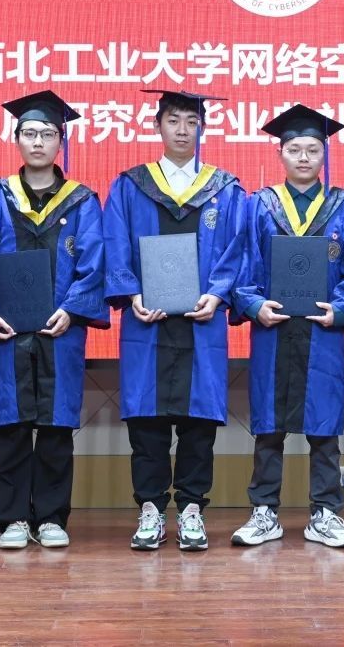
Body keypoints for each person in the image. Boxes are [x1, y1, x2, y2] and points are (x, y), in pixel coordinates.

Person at [0, 90, 110, 550]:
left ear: (61, 141)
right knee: (14, 428)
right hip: (7, 332)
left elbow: (94, 263)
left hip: (61, 331)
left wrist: (73, 309)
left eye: (47, 134)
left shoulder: (81, 201)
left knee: (57, 428)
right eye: (29, 133)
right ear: (16, 139)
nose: (38, 141)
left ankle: (53, 517)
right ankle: (14, 519)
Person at [230, 104, 344, 548]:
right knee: (269, 425)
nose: (304, 157)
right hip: (273, 330)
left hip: (323, 331)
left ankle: (326, 512)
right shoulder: (259, 205)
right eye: (295, 149)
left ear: (325, 155)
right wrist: (255, 305)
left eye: (313, 150)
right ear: (280, 154)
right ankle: (264, 511)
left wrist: (340, 310)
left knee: (324, 425)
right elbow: (241, 265)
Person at [103, 89, 247, 552]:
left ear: (202, 127)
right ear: (157, 126)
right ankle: (149, 508)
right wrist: (132, 292)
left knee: (197, 423)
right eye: (173, 120)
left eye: (191, 121)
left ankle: (190, 509)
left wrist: (218, 293)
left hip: (202, 323)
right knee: (146, 421)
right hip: (147, 322)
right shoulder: (131, 187)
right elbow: (114, 244)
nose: (183, 130)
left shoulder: (225, 189)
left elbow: (237, 250)